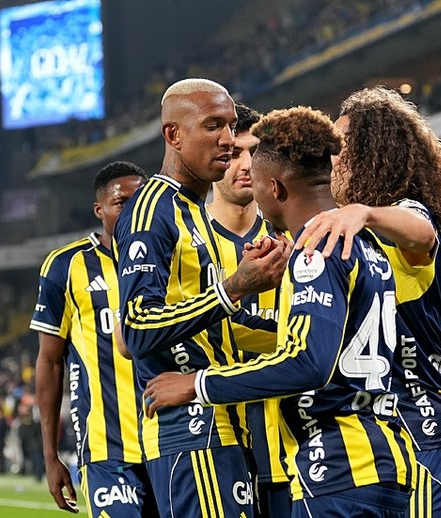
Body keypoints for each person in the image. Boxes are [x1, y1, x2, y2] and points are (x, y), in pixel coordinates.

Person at [143, 106, 416, 517]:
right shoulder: (366, 248)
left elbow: (306, 362)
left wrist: (196, 384)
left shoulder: (315, 252)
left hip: (335, 468)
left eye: (256, 181)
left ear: (274, 188)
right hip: (386, 461)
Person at [296, 87, 441, 518]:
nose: (332, 159)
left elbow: (422, 231)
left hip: (421, 425)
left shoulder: (403, 214)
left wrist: (365, 211)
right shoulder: (354, 236)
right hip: (377, 428)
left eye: (342, 147)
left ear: (376, 152)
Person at [114, 78, 289, 517]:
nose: (228, 139)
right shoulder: (152, 209)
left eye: (230, 126)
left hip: (221, 427)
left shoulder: (193, 212)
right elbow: (136, 328)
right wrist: (235, 287)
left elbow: (217, 328)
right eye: (213, 126)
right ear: (173, 134)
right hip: (190, 432)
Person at [31, 161, 153, 515]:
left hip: (172, 442)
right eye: (121, 203)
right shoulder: (66, 266)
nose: (132, 212)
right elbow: (49, 362)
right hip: (106, 449)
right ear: (99, 210)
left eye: (140, 202)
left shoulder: (172, 257)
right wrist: (50, 455)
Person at [207, 102, 292, 517]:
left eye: (254, 153)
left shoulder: (295, 239)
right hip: (213, 446)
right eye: (233, 152)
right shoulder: (183, 240)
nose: (244, 165)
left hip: (293, 451)